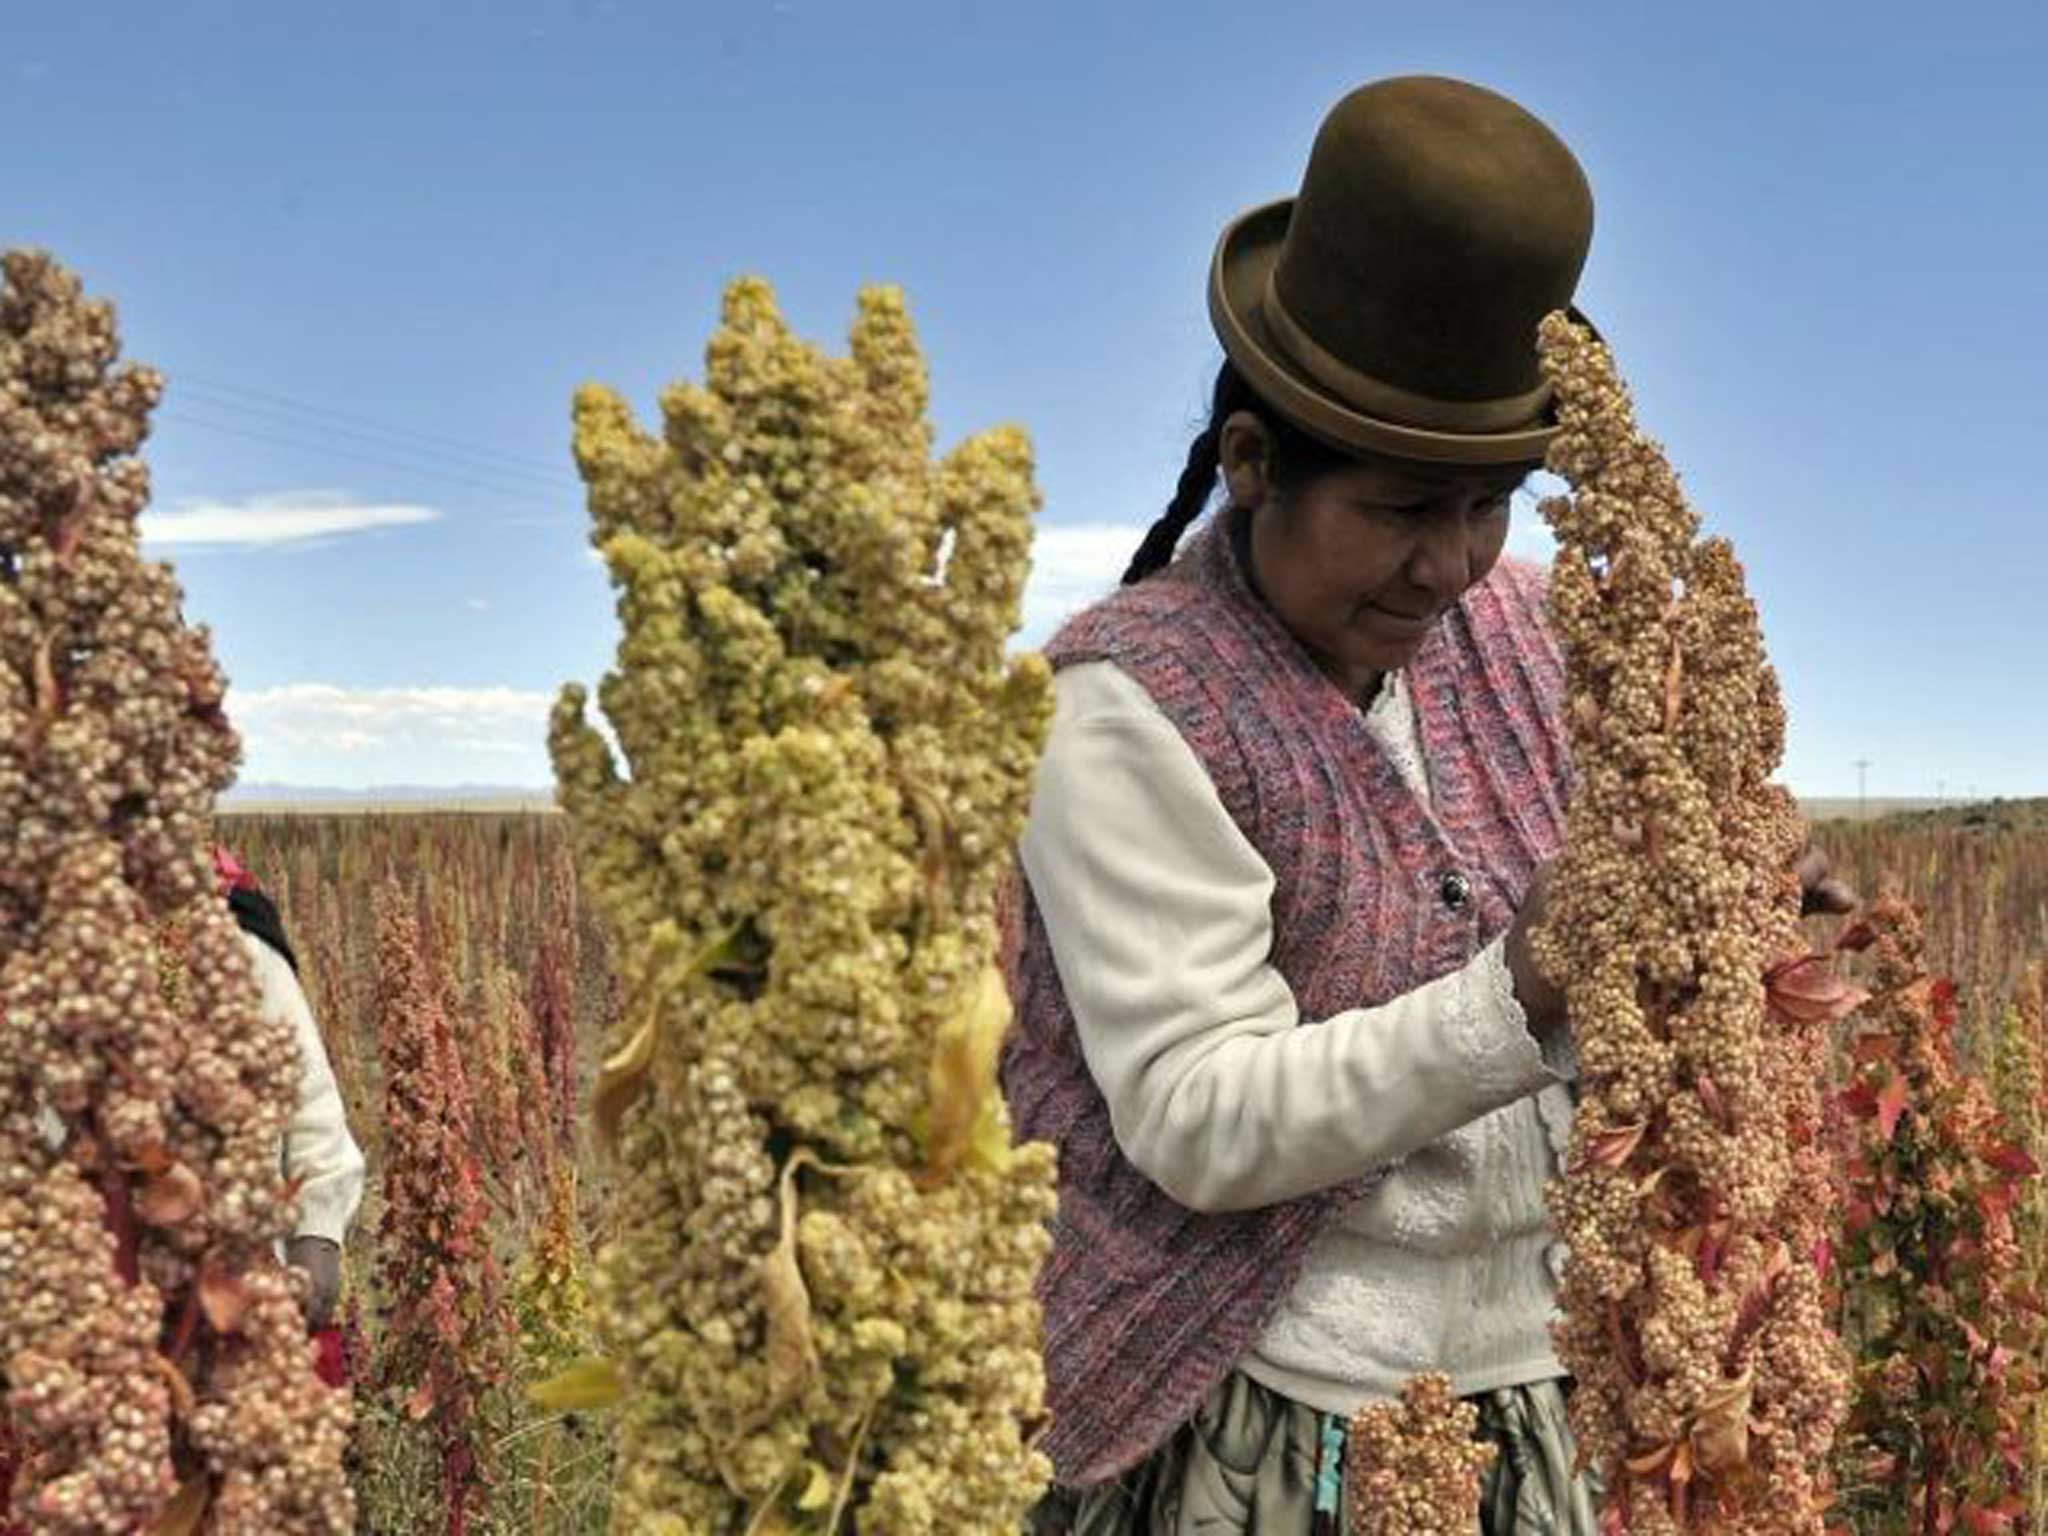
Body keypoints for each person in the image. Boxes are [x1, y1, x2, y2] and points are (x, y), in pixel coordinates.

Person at [998, 76, 1853, 1535]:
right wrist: (1520, 988)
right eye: (1401, 509)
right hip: (1279, 1421)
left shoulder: (1533, 628)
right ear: (1257, 463)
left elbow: (1642, 894)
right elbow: (1201, 1119)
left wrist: (1740, 912)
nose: (1451, 565)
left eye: (1489, 503)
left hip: (1547, 1386)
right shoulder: (1127, 709)